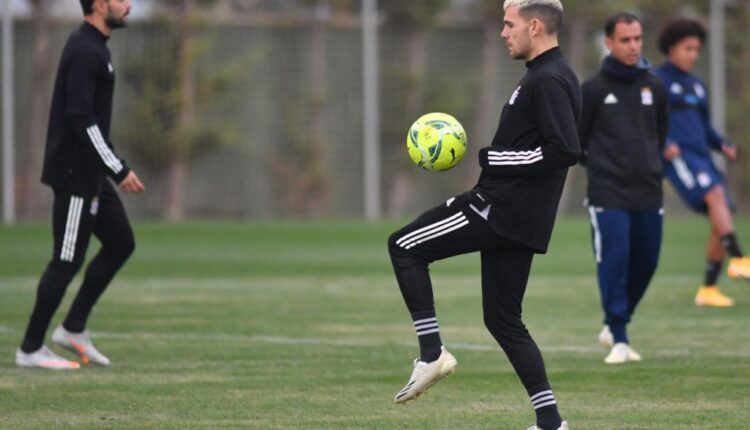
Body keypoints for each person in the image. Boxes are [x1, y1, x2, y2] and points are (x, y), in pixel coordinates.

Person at [387, 1, 579, 429]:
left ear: (534, 26)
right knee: (504, 320)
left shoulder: (547, 79)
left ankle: (432, 353)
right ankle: (551, 421)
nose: (503, 32)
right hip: (520, 219)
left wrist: (494, 159)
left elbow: (564, 149)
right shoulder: (547, 75)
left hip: (497, 209)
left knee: (403, 246)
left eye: (509, 24)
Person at [16, 0, 143, 369]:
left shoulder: (97, 48)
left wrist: (108, 168)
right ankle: (30, 348)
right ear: (100, 4)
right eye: (121, 0)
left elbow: (94, 123)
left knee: (121, 243)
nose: (129, 5)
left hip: (92, 173)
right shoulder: (84, 50)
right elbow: (81, 119)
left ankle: (72, 328)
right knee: (67, 260)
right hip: (75, 175)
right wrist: (118, 168)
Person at [579, 13, 668, 364]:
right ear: (609, 43)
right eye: (625, 40)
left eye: (637, 39)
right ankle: (619, 336)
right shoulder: (593, 90)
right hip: (608, 193)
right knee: (614, 262)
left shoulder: (655, 87)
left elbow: (660, 133)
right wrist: (603, 168)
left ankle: (616, 320)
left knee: (646, 261)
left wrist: (649, 164)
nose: (633, 46)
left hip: (648, 190)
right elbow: (578, 140)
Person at [654, 18, 749, 307]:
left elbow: (705, 127)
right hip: (679, 158)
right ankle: (739, 258)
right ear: (672, 47)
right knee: (715, 197)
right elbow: (649, 119)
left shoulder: (696, 85)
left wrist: (723, 144)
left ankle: (708, 289)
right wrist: (664, 142)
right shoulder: (657, 80)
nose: (693, 55)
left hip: (703, 158)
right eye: (688, 48)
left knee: (723, 216)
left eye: (697, 49)